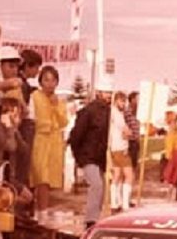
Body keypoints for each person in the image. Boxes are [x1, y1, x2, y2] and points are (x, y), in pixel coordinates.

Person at [69, 82, 111, 227]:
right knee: (97, 185)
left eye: (110, 93)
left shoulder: (110, 112)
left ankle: (95, 218)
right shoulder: (88, 111)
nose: (109, 96)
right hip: (88, 156)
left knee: (101, 188)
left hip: (100, 158)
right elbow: (76, 135)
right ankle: (91, 220)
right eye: (106, 92)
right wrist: (78, 156)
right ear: (99, 92)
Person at [29, 66, 68, 221]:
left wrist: (55, 106)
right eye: (46, 80)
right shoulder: (35, 97)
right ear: (40, 82)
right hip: (39, 139)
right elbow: (31, 118)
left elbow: (64, 122)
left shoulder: (60, 101)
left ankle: (43, 214)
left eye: (53, 80)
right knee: (40, 178)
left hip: (54, 141)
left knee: (49, 180)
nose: (50, 84)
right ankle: (37, 212)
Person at [0, 97, 30, 194]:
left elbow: (24, 149)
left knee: (28, 197)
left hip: (7, 173)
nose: (19, 119)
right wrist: (10, 129)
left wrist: (15, 130)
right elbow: (11, 147)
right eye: (15, 115)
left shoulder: (12, 130)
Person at [110, 91, 134, 212]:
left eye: (124, 102)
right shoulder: (117, 114)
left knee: (117, 175)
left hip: (114, 147)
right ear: (116, 101)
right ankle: (125, 204)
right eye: (121, 101)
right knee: (129, 175)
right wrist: (130, 132)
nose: (123, 104)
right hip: (121, 147)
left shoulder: (113, 113)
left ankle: (115, 202)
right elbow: (126, 130)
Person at [126, 92, 141, 171]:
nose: (139, 100)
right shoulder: (127, 111)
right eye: (137, 99)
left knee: (134, 160)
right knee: (129, 160)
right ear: (132, 100)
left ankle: (132, 173)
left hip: (136, 139)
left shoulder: (138, 111)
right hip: (129, 140)